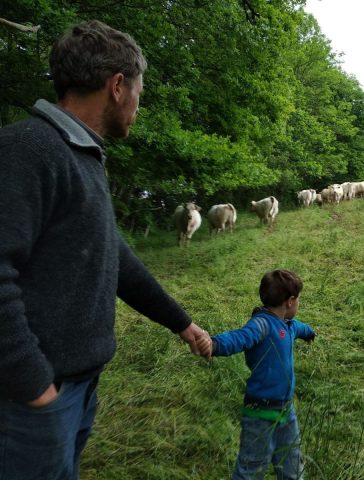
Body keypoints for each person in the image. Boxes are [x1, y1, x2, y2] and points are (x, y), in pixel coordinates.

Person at [0, 20, 212, 479]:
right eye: (139, 91)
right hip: (29, 397)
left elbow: (113, 257)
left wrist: (181, 323)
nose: (139, 105)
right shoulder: (28, 150)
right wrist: (33, 385)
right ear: (117, 87)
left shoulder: (81, 156)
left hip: (73, 386)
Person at [198, 269, 316, 480]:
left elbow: (299, 327)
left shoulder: (287, 325)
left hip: (286, 411)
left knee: (292, 464)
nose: (299, 304)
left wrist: (310, 333)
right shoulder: (261, 324)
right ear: (290, 301)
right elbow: (239, 337)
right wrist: (214, 344)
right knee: (251, 468)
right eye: (299, 300)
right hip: (260, 413)